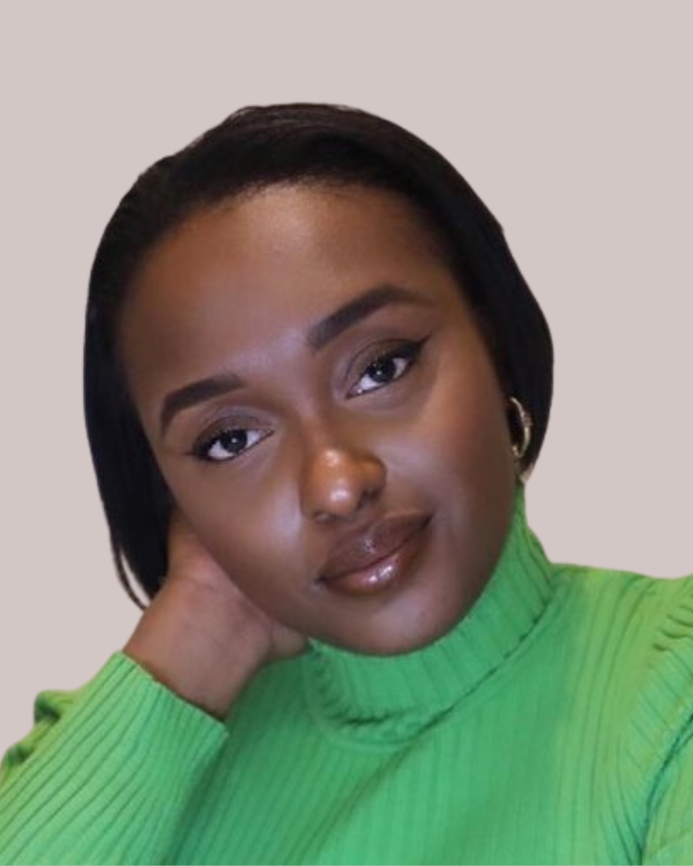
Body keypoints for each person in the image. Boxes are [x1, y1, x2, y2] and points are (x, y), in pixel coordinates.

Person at [0, 102, 691, 866]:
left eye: (380, 368)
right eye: (230, 440)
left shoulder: (672, 688)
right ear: (171, 491)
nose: (335, 484)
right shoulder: (119, 761)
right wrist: (196, 635)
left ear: (492, 337)